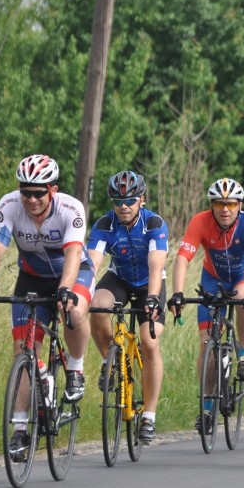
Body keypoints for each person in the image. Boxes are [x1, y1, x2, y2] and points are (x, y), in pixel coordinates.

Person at [0, 154, 94, 459]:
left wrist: (66, 290)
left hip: (74, 272)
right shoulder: (9, 205)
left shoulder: (70, 209)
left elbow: (75, 254)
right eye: (26, 191)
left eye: (39, 193)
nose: (31, 199)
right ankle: (21, 430)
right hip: (33, 277)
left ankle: (75, 369)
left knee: (73, 311)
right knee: (23, 350)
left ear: (53, 189)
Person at [87, 171, 168, 445]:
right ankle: (108, 361)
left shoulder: (154, 223)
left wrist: (154, 298)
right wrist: (80, 290)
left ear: (141, 200)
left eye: (130, 200)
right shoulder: (104, 224)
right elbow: (93, 263)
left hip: (150, 283)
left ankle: (149, 416)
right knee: (97, 306)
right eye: (118, 200)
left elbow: (157, 265)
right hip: (120, 278)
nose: (124, 206)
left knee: (149, 342)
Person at [169, 177, 244, 435]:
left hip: (242, 276)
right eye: (219, 204)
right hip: (212, 278)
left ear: (240, 205)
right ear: (212, 205)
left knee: (241, 299)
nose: (225, 209)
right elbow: (183, 258)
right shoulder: (200, 221)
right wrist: (177, 294)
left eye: (230, 204)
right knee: (206, 342)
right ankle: (206, 407)